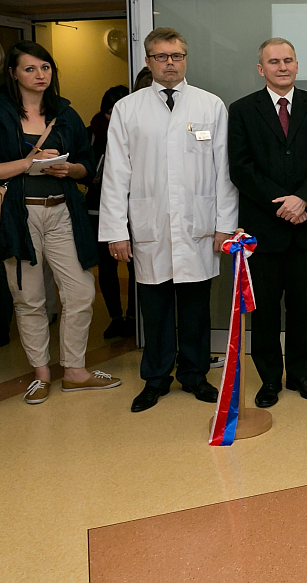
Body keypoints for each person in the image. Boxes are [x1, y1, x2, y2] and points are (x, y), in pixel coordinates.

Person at [0, 41, 121, 405]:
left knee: (80, 291)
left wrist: (69, 168)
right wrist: (27, 163)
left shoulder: (64, 112)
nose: (40, 75)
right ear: (13, 73)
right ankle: (41, 373)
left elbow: (86, 164)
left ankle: (75, 371)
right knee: (29, 297)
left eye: (45, 68)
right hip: (19, 215)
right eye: (30, 69)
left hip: (63, 211)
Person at [99, 27, 238, 413]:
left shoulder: (210, 105)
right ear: (148, 61)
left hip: (199, 224)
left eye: (177, 56)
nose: (170, 63)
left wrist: (224, 226)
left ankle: (194, 375)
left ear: (185, 59)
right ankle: (156, 378)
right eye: (161, 57)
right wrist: (116, 231)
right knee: (155, 308)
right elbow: (116, 174)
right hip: (151, 225)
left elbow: (224, 172)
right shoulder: (129, 109)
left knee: (195, 309)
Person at [227, 38, 307, 408]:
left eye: (288, 60)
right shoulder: (242, 110)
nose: (282, 67)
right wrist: (282, 203)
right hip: (263, 227)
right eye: (274, 62)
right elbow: (241, 167)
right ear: (261, 69)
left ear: (296, 65)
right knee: (264, 309)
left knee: (302, 306)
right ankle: (268, 380)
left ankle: (301, 375)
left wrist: (302, 198)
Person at [86, 85, 135, 339]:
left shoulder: (136, 130)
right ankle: (115, 317)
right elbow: (83, 167)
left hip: (134, 208)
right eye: (109, 112)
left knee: (136, 265)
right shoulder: (93, 133)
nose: (113, 117)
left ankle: (134, 317)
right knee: (106, 266)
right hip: (97, 207)